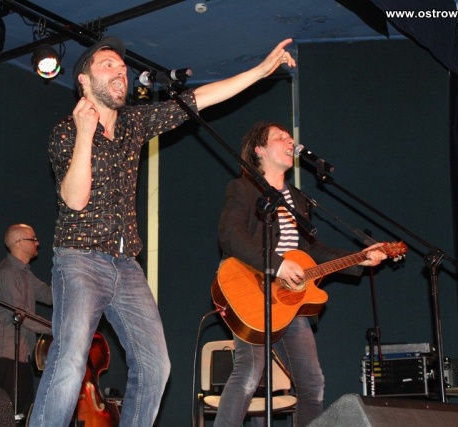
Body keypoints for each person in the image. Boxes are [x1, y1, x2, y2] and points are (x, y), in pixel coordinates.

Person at [29, 36, 297, 427]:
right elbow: (74, 200)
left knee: (156, 367)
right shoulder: (66, 133)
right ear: (84, 81)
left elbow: (199, 99)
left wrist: (259, 71)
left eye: (123, 68)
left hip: (127, 267)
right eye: (108, 65)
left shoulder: (133, 123)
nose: (120, 72)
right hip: (80, 260)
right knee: (70, 359)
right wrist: (86, 133)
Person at [214, 121, 388, 426]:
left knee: (313, 384)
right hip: (249, 288)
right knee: (249, 373)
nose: (289, 141)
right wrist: (277, 264)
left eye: (290, 137)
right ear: (259, 150)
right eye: (280, 137)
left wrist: (360, 258)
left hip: (288, 301)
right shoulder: (243, 188)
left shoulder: (298, 200)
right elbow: (230, 236)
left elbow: (312, 252)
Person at [0, 224, 52, 417]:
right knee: (4, 416)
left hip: (21, 355)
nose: (38, 243)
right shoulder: (7, 273)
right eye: (33, 239)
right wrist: (56, 328)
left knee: (21, 415)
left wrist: (70, 283)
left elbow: (48, 295)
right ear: (19, 243)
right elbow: (22, 316)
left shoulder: (24, 272)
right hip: (4, 356)